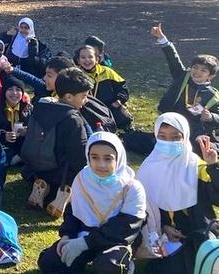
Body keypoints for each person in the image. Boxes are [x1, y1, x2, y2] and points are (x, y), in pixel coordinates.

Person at [38, 132, 145, 274]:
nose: (101, 164)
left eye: (108, 159)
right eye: (94, 157)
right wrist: (67, 235)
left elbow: (126, 226)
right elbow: (73, 211)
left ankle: (126, 264)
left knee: (108, 265)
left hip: (114, 241)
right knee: (49, 261)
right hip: (83, 236)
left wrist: (85, 243)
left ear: (118, 159)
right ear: (88, 157)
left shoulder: (132, 187)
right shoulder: (82, 179)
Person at [137, 113, 219, 273]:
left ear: (185, 137)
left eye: (176, 137)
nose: (169, 142)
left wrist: (213, 167)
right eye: (162, 136)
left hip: (198, 231)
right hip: (161, 233)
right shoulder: (147, 169)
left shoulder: (197, 167)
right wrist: (164, 226)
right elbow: (142, 208)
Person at [21, 67, 90, 213]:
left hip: (34, 166)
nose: (86, 100)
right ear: (69, 97)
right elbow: (79, 153)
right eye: (83, 96)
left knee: (43, 174)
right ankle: (62, 193)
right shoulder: (72, 118)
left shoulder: (40, 106)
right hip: (61, 171)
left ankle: (42, 184)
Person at [151, 23, 219, 150]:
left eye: (203, 70)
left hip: (193, 129)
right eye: (195, 67)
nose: (197, 72)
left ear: (211, 76)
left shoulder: (213, 95)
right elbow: (172, 58)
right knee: (155, 144)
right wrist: (162, 38)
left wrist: (210, 117)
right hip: (172, 121)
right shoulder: (182, 77)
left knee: (198, 148)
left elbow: (217, 117)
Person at [75, 45, 133, 130]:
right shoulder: (76, 75)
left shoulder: (107, 71)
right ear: (78, 61)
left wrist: (119, 99)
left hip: (110, 107)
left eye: (90, 57)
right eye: (83, 57)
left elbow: (122, 87)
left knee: (124, 119)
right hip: (87, 110)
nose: (87, 60)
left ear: (97, 59)